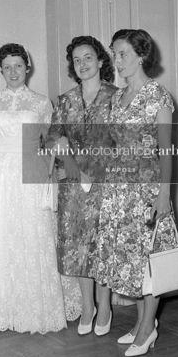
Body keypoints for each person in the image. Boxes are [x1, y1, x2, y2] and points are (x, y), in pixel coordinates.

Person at [0, 43, 67, 334]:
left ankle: (31, 306)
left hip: (30, 170)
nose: (13, 72)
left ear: (27, 67)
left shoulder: (41, 103)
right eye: (7, 67)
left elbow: (50, 144)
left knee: (32, 234)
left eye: (18, 66)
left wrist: (53, 174)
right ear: (0, 69)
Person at [95, 28, 175, 357]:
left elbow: (166, 151)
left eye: (123, 54)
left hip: (146, 189)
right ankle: (144, 321)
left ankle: (146, 330)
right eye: (114, 54)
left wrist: (163, 195)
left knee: (149, 260)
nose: (117, 60)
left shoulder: (158, 96)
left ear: (141, 56)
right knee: (131, 259)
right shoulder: (117, 97)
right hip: (118, 190)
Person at [47, 36, 117, 336]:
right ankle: (88, 307)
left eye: (88, 57)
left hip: (106, 183)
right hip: (73, 185)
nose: (82, 64)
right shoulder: (65, 101)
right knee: (78, 247)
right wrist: (63, 149)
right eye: (77, 60)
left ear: (100, 60)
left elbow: (123, 144)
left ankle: (105, 306)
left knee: (102, 246)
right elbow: (52, 138)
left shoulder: (117, 97)